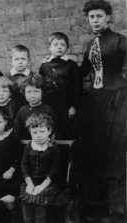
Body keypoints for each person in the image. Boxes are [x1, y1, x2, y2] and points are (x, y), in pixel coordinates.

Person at [76, 0, 127, 220]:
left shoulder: (120, 41)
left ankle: (117, 209)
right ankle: (94, 205)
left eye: (99, 16)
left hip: (117, 98)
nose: (95, 20)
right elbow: (81, 72)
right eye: (91, 17)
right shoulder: (89, 45)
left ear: (108, 17)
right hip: (95, 100)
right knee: (92, 151)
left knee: (114, 152)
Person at [20, 113, 66, 223]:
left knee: (38, 207)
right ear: (30, 133)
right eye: (35, 132)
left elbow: (55, 170)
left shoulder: (53, 148)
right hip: (31, 181)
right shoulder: (29, 146)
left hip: (47, 183)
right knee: (27, 208)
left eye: (42, 131)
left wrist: (41, 186)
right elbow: (24, 166)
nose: (39, 135)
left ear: (49, 131)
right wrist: (30, 184)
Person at [39, 32, 82, 139]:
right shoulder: (44, 65)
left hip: (66, 105)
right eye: (56, 44)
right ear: (49, 47)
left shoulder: (71, 65)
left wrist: (73, 106)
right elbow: (40, 85)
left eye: (63, 45)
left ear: (67, 47)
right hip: (48, 104)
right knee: (50, 129)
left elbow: (78, 87)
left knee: (65, 131)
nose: (59, 47)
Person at [13, 74, 58, 140]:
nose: (32, 96)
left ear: (42, 92)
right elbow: (17, 131)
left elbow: (54, 131)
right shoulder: (22, 110)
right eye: (29, 92)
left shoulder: (48, 110)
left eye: (36, 91)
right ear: (24, 93)